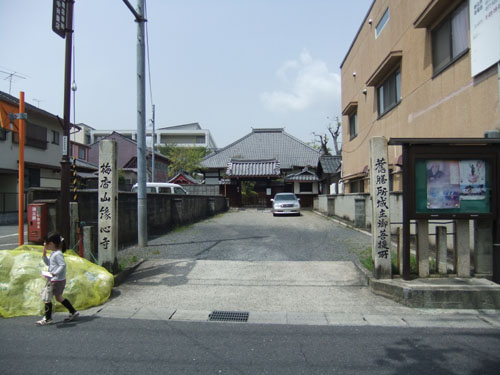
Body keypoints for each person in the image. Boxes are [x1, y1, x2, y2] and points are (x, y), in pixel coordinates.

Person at [36, 232, 79, 326]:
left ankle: (48, 319)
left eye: (45, 243)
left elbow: (62, 265)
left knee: (47, 298)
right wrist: (44, 255)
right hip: (58, 280)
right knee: (59, 297)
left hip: (55, 280)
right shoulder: (54, 253)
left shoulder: (57, 254)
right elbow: (49, 263)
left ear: (51, 244)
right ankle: (73, 312)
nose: (44, 244)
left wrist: (54, 273)